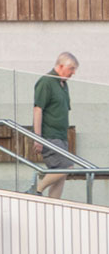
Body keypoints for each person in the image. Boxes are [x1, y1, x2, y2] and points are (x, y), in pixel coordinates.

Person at [33, 50, 82, 197]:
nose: (73, 73)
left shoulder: (63, 85)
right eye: (71, 69)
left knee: (60, 176)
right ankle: (36, 189)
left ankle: (54, 206)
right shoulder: (46, 82)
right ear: (60, 66)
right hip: (50, 136)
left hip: (61, 136)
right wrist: (38, 138)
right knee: (67, 167)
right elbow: (38, 109)